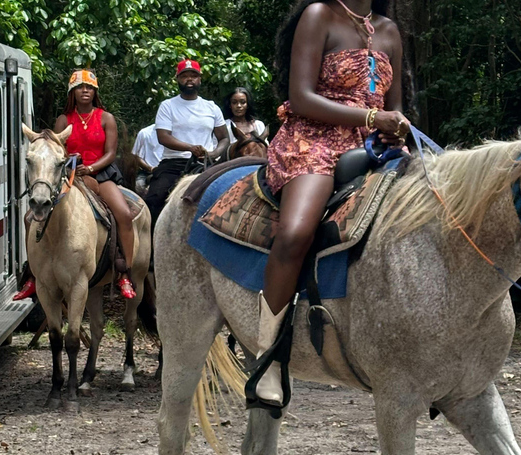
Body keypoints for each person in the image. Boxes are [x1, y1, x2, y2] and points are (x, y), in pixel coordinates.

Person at [249, 0, 411, 409]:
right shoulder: (319, 15)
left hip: (374, 146)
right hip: (315, 141)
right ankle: (266, 358)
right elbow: (301, 97)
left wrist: (396, 127)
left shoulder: (389, 30)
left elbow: (395, 107)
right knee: (296, 232)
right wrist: (375, 119)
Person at [14, 69, 138, 300]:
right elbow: (54, 151)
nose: (85, 91)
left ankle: (124, 273)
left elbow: (111, 153)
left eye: (89, 87)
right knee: (30, 217)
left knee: (124, 215)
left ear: (95, 91)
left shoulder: (105, 118)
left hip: (100, 175)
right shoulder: (63, 120)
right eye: (80, 87)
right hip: (68, 175)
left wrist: (90, 167)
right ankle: (32, 273)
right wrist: (71, 164)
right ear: (72, 91)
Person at [144, 59, 229, 229]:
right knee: (154, 198)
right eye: (185, 76)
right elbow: (163, 136)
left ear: (200, 79)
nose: (189, 79)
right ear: (177, 79)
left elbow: (224, 138)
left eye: (193, 76)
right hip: (174, 163)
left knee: (228, 198)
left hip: (205, 164)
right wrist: (190, 147)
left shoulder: (211, 107)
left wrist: (212, 154)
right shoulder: (168, 106)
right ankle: (153, 249)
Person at [132, 123, 164, 190]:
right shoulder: (145, 133)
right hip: (147, 172)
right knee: (139, 185)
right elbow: (136, 156)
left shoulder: (177, 134)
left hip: (168, 171)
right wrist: (150, 168)